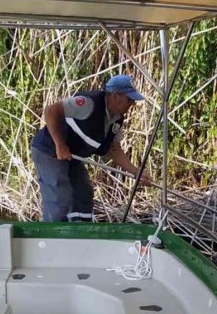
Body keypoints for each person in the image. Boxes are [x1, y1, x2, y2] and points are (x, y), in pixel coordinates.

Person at [31, 74, 152, 221]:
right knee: (60, 197)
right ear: (115, 96)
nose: (132, 103)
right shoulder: (87, 104)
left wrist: (137, 172)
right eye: (129, 99)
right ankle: (54, 235)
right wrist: (60, 145)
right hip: (49, 150)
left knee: (84, 193)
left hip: (72, 155)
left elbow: (114, 150)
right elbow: (51, 111)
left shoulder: (117, 120)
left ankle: (81, 231)